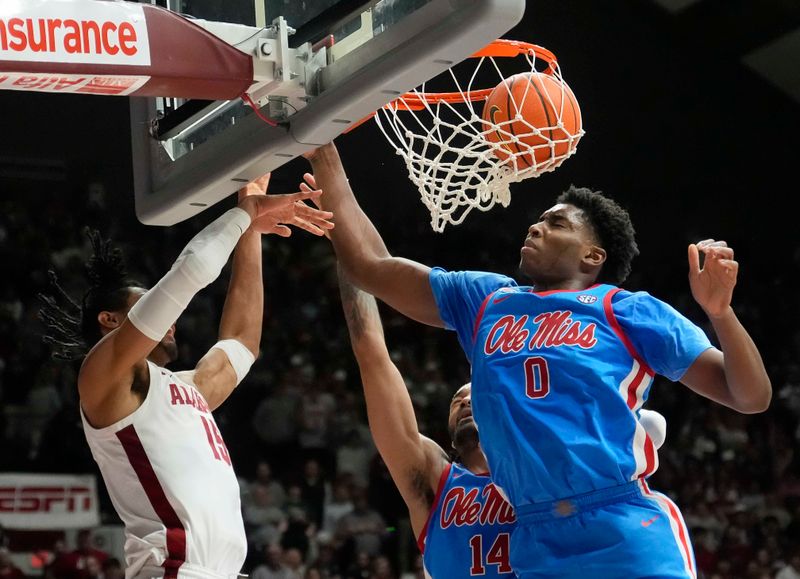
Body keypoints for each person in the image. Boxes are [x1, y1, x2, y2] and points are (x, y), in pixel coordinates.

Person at [304, 141, 771, 578]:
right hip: (534, 536)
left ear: (593, 255)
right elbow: (368, 264)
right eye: (540, 219)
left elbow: (749, 396)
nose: (536, 226)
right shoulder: (486, 300)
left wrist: (720, 313)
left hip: (620, 522)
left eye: (557, 223)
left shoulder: (627, 309)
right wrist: (319, 144)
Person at [39, 175, 334, 579]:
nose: (172, 317)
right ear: (110, 320)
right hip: (173, 569)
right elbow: (190, 273)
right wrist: (245, 212)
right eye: (148, 303)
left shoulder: (185, 388)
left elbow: (242, 344)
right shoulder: (102, 376)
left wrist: (251, 229)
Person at [336, 265, 669, 577]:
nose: (465, 401)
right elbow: (372, 353)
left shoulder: (553, 474)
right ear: (450, 434)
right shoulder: (434, 482)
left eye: (474, 396)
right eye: (456, 401)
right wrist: (351, 252)